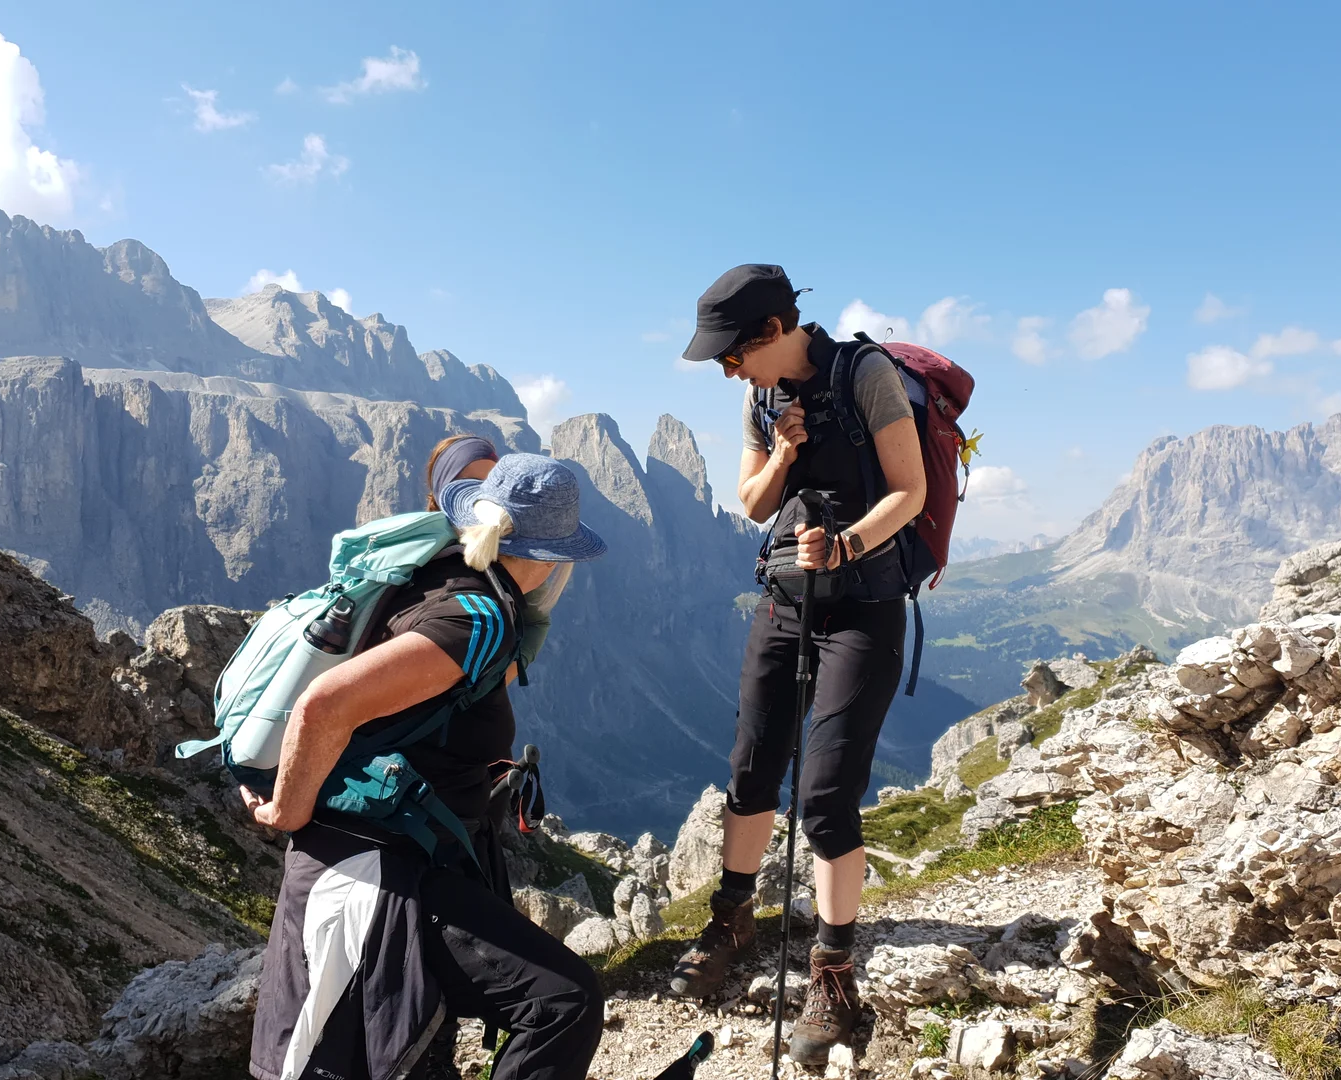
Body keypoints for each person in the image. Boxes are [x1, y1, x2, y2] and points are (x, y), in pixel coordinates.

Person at [245, 454, 609, 1080]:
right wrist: (286, 808)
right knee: (564, 1002)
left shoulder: (441, 577)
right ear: (549, 555)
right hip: (373, 877)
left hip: (385, 863)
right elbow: (323, 705)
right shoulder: (475, 619)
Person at [667, 265, 927, 1064]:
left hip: (861, 610)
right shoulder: (761, 399)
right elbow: (751, 503)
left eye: (732, 354)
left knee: (825, 795)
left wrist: (845, 545)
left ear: (774, 333)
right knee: (751, 766)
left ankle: (834, 975)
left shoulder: (867, 375)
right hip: (783, 603)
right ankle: (731, 921)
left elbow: (910, 491)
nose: (726, 370)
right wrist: (780, 455)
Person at [425, 433, 573, 667]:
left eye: (491, 484)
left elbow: (537, 621)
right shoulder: (419, 554)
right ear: (446, 488)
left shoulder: (509, 552)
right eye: (469, 482)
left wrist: (494, 685)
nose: (481, 493)